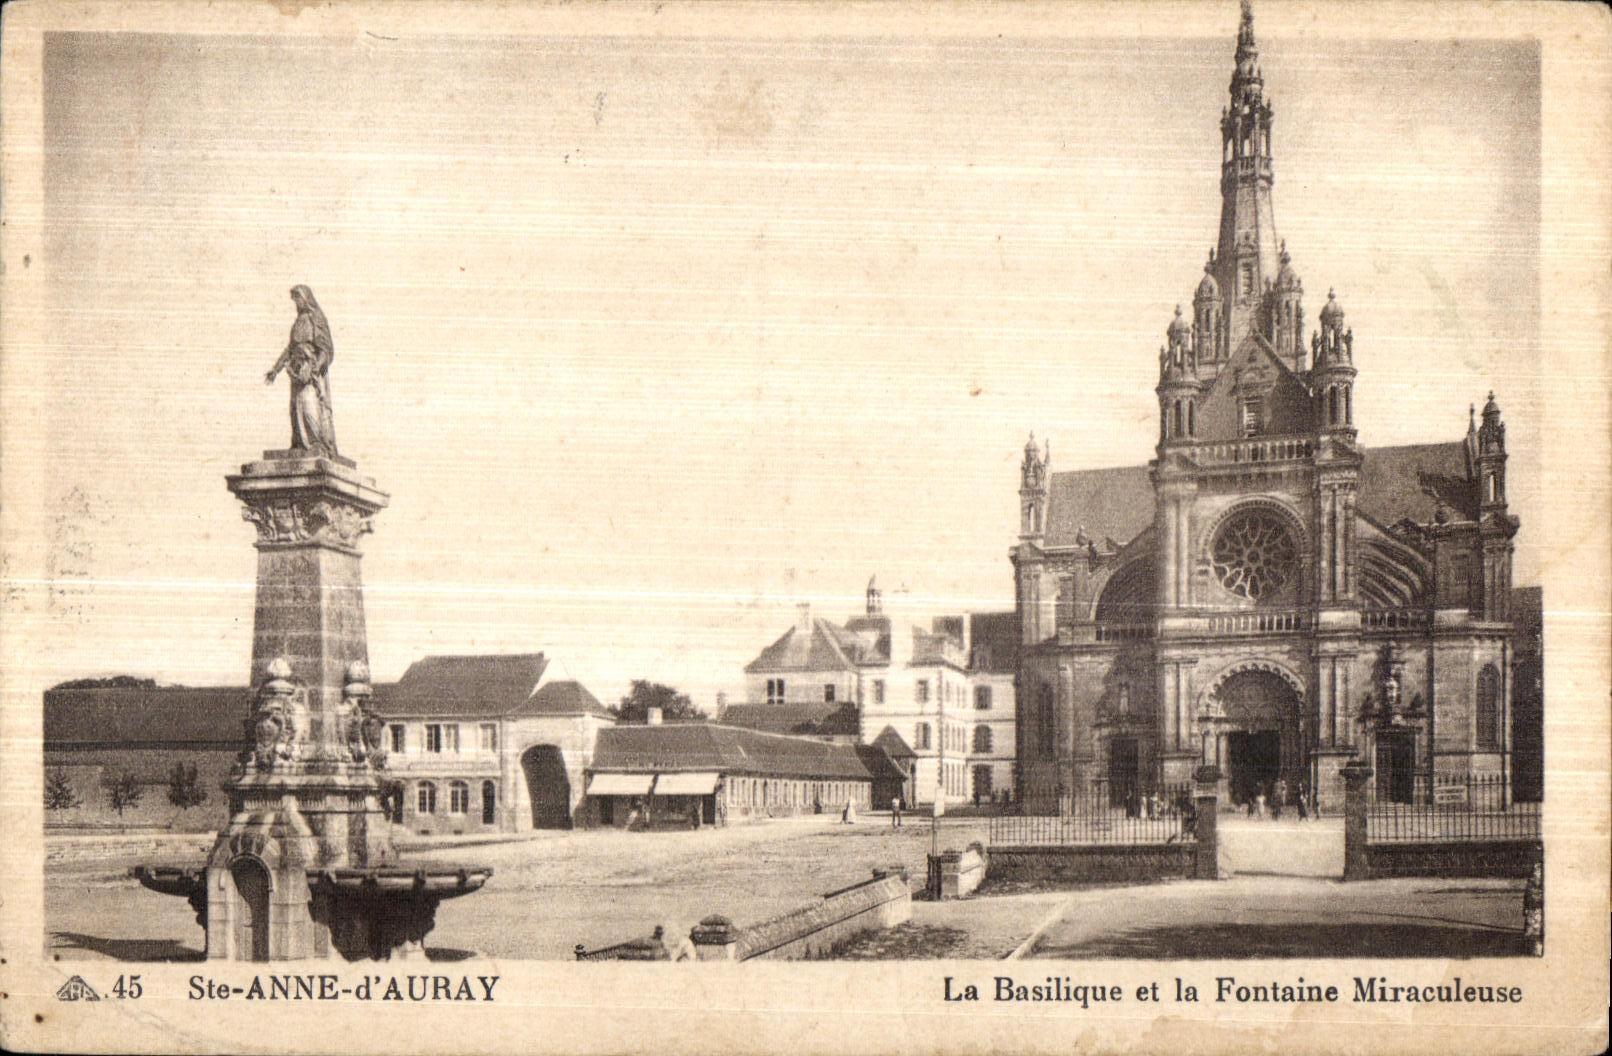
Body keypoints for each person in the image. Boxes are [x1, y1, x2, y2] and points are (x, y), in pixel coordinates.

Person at [265, 285, 338, 458]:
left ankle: (316, 444)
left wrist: (314, 367)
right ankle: (300, 444)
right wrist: (275, 370)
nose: (296, 302)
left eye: (298, 298)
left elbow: (326, 349)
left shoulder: (317, 318)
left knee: (309, 407)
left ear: (305, 299)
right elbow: (290, 349)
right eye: (294, 299)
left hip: (310, 371)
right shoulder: (298, 322)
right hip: (295, 370)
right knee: (295, 408)